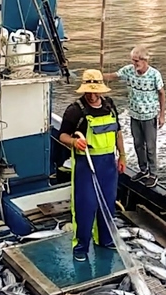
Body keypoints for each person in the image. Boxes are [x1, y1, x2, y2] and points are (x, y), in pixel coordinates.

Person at [57, 69, 127, 262]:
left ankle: (105, 239)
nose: (92, 94)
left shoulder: (110, 105)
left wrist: (122, 156)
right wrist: (74, 142)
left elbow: (117, 133)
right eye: (89, 90)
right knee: (85, 207)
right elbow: (62, 135)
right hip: (86, 164)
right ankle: (81, 246)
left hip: (108, 165)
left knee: (108, 203)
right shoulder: (75, 110)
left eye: (95, 90)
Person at [103, 45, 166, 188]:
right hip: (134, 114)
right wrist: (99, 76)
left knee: (150, 146)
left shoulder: (154, 75)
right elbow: (114, 76)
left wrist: (162, 115)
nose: (134, 64)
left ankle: (153, 174)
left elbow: (162, 94)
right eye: (132, 61)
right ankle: (143, 170)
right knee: (138, 144)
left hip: (149, 116)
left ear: (145, 60)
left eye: (136, 61)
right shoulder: (128, 71)